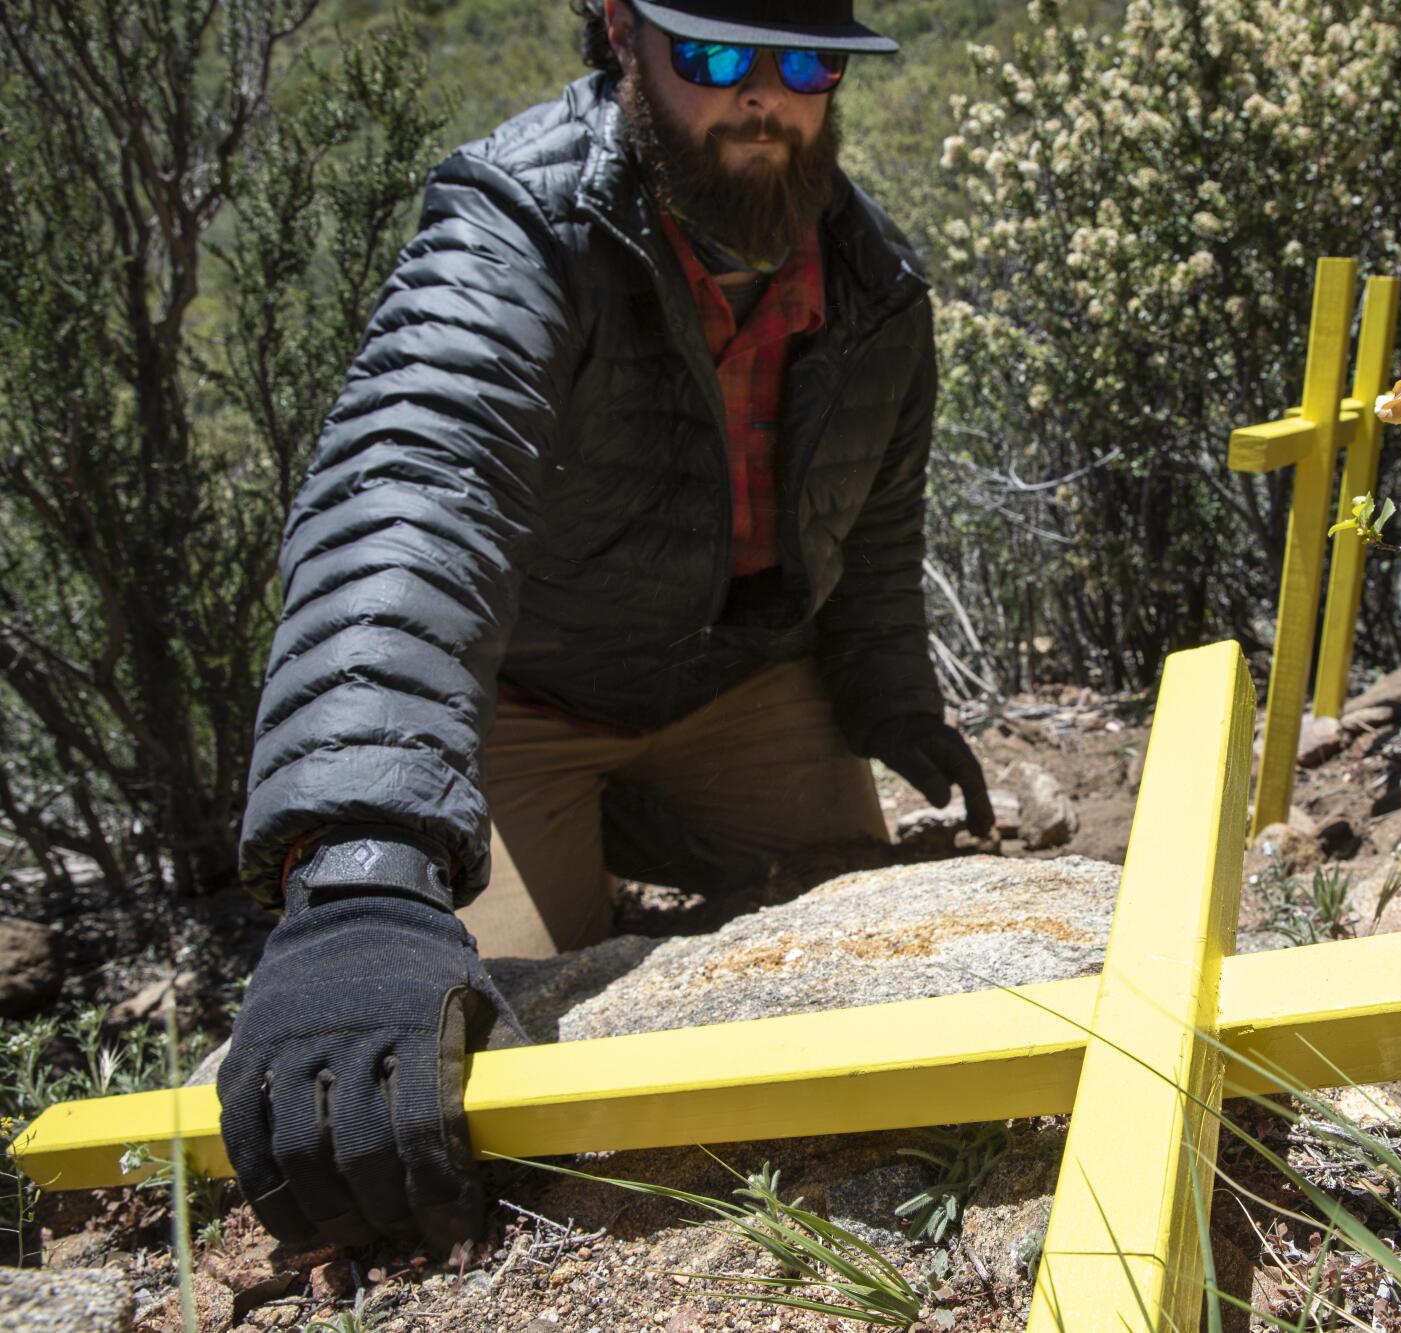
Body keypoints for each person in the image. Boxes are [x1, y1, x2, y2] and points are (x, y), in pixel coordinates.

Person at [216, 0, 992, 1252]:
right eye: (717, 54)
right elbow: (413, 487)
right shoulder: (518, 227)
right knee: (481, 1074)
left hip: (737, 689)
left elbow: (874, 519)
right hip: (523, 705)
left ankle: (644, 826)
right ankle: (558, 846)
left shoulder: (874, 291)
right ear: (621, 35)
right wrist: (360, 861)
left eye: (805, 62)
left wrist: (891, 694)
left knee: (875, 960)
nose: (765, 97)